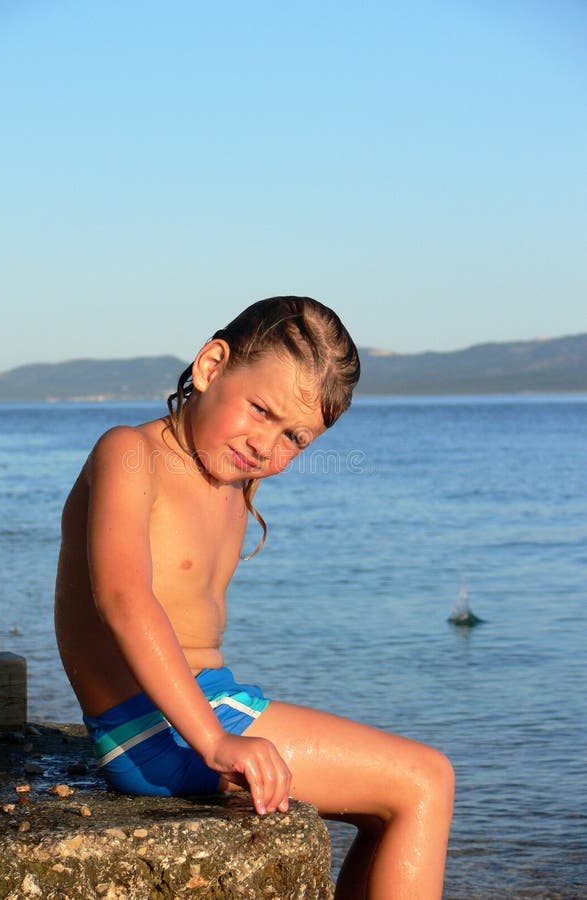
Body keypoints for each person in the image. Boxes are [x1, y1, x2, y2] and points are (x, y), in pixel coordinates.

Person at [55, 296, 454, 899]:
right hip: (157, 727)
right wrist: (215, 741)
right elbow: (124, 599)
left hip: (202, 705)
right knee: (426, 780)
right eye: (260, 410)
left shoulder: (231, 481)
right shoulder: (131, 454)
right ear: (212, 366)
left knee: (382, 808)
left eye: (294, 436)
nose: (266, 445)